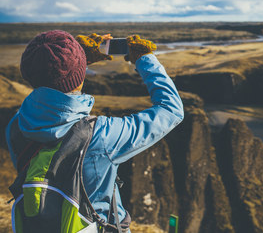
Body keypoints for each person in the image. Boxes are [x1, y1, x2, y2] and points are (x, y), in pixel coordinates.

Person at [5, 30, 184, 232]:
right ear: (80, 75)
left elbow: (53, 84)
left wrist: (76, 63)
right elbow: (171, 110)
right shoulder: (101, 135)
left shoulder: (16, 126)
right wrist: (144, 58)